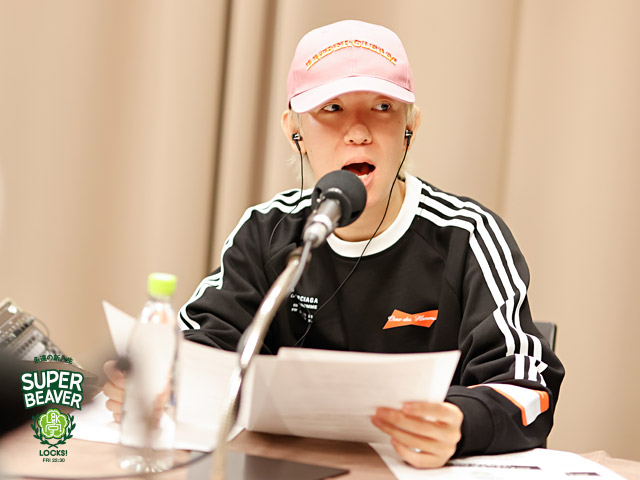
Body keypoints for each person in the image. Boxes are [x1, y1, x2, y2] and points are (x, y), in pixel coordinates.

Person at [104, 19, 564, 468]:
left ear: (411, 126)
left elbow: (529, 387)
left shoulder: (468, 234)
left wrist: (462, 422)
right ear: (294, 131)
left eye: (382, 107)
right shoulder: (267, 232)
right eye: (333, 108)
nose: (359, 131)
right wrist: (160, 383)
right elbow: (204, 347)